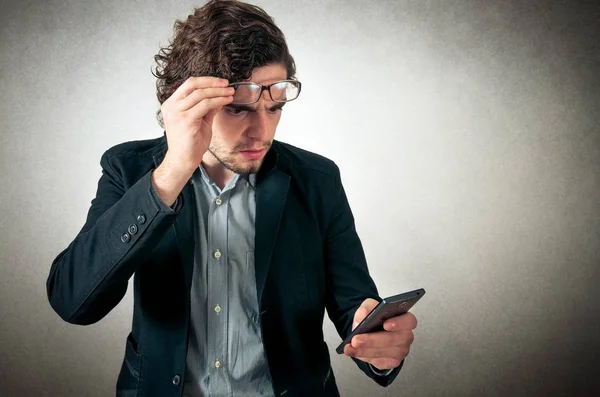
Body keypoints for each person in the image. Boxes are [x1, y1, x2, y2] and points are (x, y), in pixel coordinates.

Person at [46, 1, 418, 396]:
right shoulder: (129, 169)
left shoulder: (318, 181)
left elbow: (354, 308)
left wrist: (378, 344)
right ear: (185, 102)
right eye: (239, 110)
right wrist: (172, 173)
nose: (262, 131)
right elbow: (74, 301)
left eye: (274, 109)